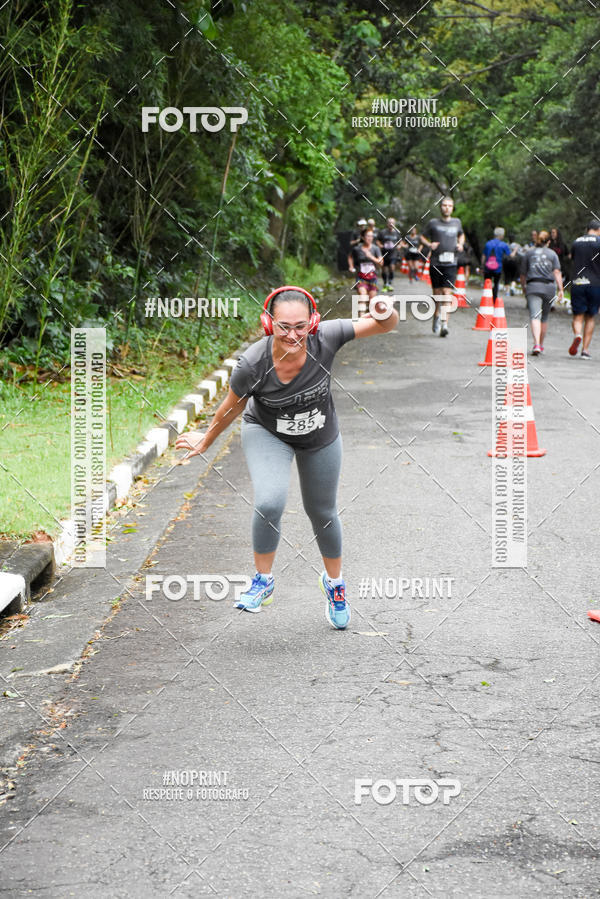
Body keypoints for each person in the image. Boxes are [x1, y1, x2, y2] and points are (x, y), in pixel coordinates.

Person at [175, 286, 399, 630]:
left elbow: (385, 325)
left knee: (322, 512)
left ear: (313, 322)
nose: (293, 334)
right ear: (269, 324)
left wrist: (383, 309)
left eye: (300, 326)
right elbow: (232, 406)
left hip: (320, 436)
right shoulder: (253, 363)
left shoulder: (328, 336)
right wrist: (206, 439)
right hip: (268, 433)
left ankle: (335, 586)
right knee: (269, 502)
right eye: (284, 326)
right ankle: (262, 581)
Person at [420, 196, 464, 338]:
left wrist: (460, 244)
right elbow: (422, 237)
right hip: (436, 263)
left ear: (452, 208)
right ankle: (436, 315)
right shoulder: (433, 223)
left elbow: (461, 235)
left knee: (447, 293)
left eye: (449, 206)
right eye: (444, 205)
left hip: (451, 263)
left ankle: (445, 324)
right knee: (437, 294)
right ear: (440, 207)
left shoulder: (457, 222)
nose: (447, 208)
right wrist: (428, 245)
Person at [520, 230, 564, 355]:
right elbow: (556, 272)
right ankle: (541, 344)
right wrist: (561, 289)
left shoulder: (528, 254)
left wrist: (524, 286)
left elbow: (523, 274)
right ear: (549, 242)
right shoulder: (553, 254)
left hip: (533, 286)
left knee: (535, 316)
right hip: (549, 288)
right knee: (544, 317)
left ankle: (536, 344)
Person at [568, 220, 600, 358]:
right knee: (591, 317)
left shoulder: (576, 242)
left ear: (587, 229)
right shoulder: (599, 241)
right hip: (595, 283)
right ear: (598, 229)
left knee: (578, 316)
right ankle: (585, 350)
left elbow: (572, 258)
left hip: (578, 282)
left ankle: (577, 334)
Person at [348, 228, 383, 316]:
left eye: (371, 236)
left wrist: (371, 257)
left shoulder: (376, 248)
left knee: (372, 300)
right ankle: (361, 318)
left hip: (372, 277)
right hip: (361, 276)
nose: (370, 238)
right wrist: (351, 266)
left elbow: (381, 262)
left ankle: (370, 321)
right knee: (363, 296)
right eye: (368, 236)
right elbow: (350, 257)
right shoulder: (357, 248)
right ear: (363, 237)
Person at [481, 227, 511, 301]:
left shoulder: (488, 243)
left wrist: (482, 266)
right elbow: (509, 255)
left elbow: (484, 255)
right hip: (498, 268)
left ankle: (486, 298)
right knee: (496, 283)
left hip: (487, 268)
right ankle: (494, 299)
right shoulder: (503, 245)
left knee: (487, 283)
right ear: (501, 235)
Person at [376, 216, 400, 291]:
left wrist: (399, 245)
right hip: (384, 253)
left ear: (394, 224)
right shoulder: (382, 232)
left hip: (393, 253)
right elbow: (377, 240)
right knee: (384, 270)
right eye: (389, 223)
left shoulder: (397, 232)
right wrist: (380, 245)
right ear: (387, 224)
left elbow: (400, 241)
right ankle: (385, 283)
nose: (391, 224)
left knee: (392, 267)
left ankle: (389, 282)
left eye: (392, 223)